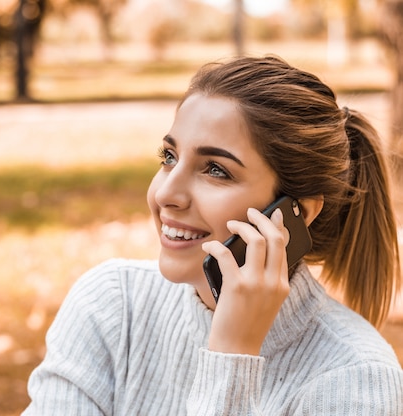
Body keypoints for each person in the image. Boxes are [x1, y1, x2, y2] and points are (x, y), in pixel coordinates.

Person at [22, 55, 403, 415]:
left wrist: (233, 356)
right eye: (169, 157)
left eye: (216, 170)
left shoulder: (355, 379)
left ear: (294, 212)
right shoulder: (112, 305)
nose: (166, 193)